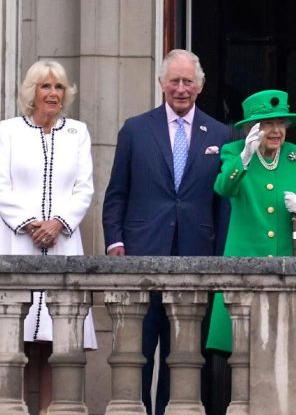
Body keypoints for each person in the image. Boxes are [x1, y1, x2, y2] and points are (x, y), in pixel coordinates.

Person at [102, 49, 231, 415]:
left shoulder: (220, 134)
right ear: (161, 83)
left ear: (200, 86)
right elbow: (117, 194)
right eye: (174, 80)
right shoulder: (135, 129)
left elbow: (223, 205)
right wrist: (115, 241)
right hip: (141, 256)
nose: (180, 88)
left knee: (184, 355)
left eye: (188, 81)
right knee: (138, 353)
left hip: (196, 258)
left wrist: (221, 259)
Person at [0, 59, 97, 415]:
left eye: (58, 87)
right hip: (16, 241)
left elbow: (83, 189)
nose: (53, 93)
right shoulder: (10, 130)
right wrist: (30, 223)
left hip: (62, 242)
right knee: (14, 334)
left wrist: (58, 222)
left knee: (54, 339)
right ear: (32, 92)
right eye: (45, 86)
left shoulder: (78, 132)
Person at [205, 89, 296, 351]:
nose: (276, 130)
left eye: (281, 123)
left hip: (287, 273)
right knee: (242, 349)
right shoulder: (234, 152)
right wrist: (245, 158)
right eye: (268, 123)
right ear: (252, 127)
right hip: (244, 270)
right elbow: (223, 188)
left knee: (284, 351)